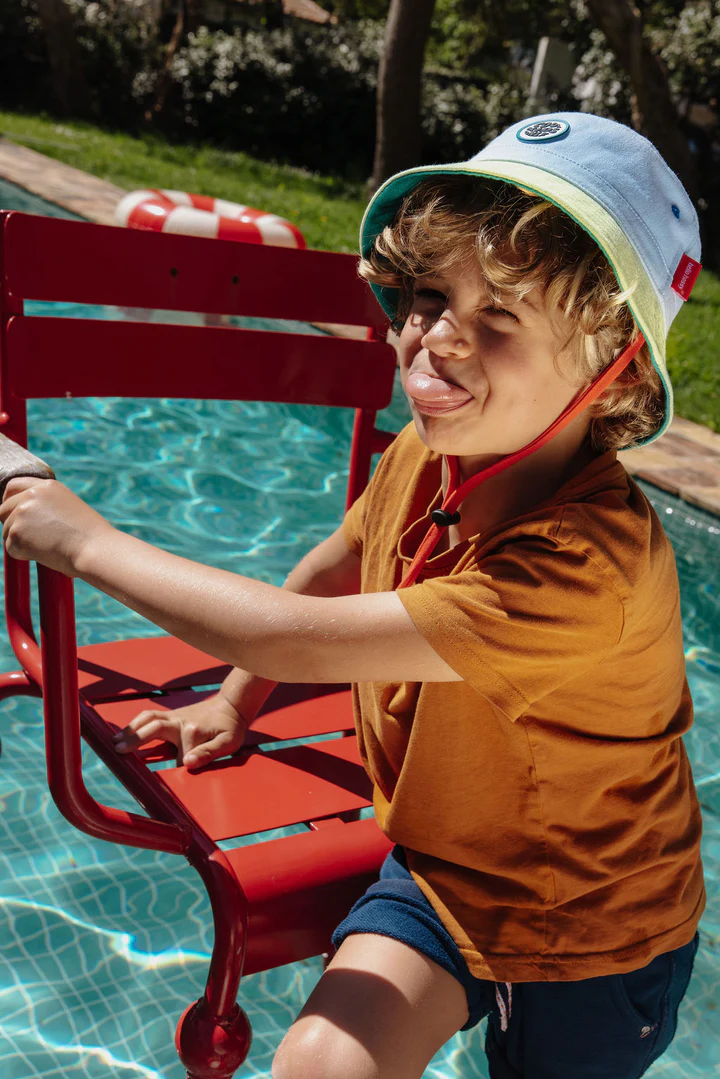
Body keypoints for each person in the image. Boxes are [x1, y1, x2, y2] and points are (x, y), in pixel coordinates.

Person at [0, 113, 705, 1078]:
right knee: (322, 1062)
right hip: (447, 871)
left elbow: (297, 636)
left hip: (601, 930)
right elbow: (337, 563)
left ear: (613, 370)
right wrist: (234, 700)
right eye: (428, 295)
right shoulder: (426, 453)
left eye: (499, 318)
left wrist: (81, 538)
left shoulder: (589, 569)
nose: (435, 340)